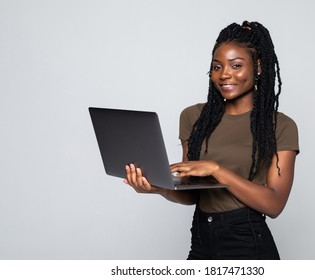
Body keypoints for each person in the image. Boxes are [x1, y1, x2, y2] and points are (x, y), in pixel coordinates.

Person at [123, 20, 299, 260]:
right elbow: (192, 194)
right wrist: (158, 188)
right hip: (201, 238)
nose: (224, 74)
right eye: (217, 67)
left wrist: (216, 169)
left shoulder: (280, 126)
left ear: (258, 67)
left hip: (246, 241)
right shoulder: (194, 117)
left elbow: (274, 204)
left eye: (236, 65)